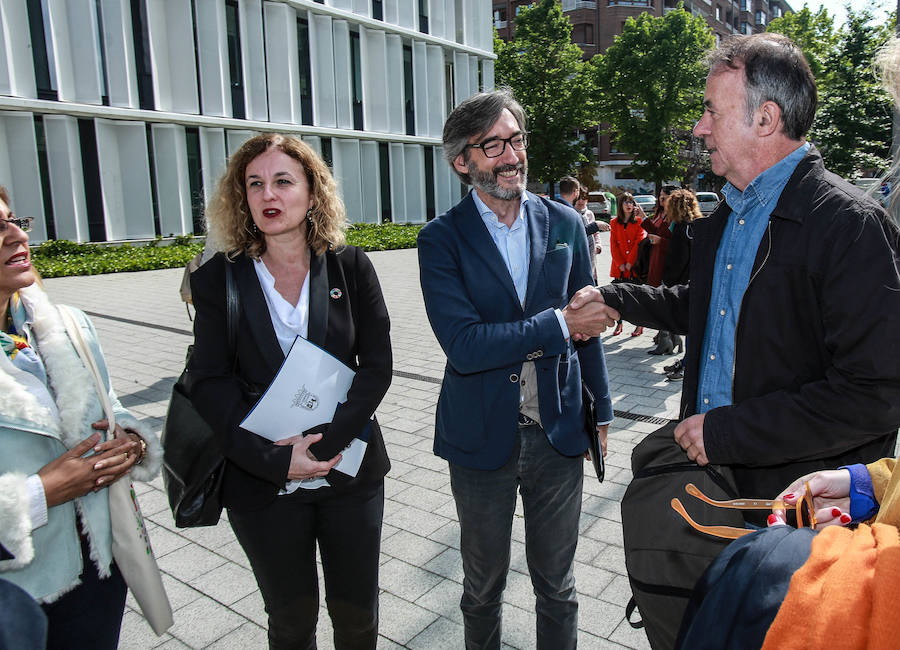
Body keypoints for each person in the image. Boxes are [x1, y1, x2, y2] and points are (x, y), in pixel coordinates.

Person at [568, 32, 900, 513]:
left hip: (798, 513)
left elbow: (874, 394)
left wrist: (729, 433)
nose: (700, 128)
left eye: (711, 111)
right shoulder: (728, 215)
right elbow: (704, 303)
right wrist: (616, 297)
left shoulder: (851, 228)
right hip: (714, 488)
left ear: (765, 119)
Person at [417, 89, 616, 649]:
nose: (512, 156)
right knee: (482, 586)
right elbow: (465, 346)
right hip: (480, 437)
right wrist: (559, 325)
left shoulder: (564, 225)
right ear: (463, 161)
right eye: (493, 146)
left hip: (559, 433)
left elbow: (590, 327)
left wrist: (599, 408)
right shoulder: (441, 240)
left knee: (559, 585)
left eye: (517, 139)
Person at [188, 134, 392, 649]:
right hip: (261, 477)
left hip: (349, 468)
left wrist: (324, 446)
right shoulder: (218, 278)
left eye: (283, 180)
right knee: (291, 621)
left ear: (311, 192)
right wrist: (275, 460)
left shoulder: (350, 265)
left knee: (358, 617)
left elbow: (378, 365)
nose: (267, 194)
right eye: (254, 184)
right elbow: (208, 381)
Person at [0, 186, 163, 649]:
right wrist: (39, 493)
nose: (16, 236)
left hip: (98, 568)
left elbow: (111, 406)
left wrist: (133, 440)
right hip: (18, 588)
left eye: (15, 221)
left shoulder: (65, 325)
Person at [657, 189, 702, 381]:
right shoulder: (698, 226)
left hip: (683, 285)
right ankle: (685, 362)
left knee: (691, 328)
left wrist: (668, 282)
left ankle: (687, 368)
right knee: (693, 328)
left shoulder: (681, 229)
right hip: (698, 282)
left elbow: (677, 260)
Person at [641, 184, 680, 355]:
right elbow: (657, 232)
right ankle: (673, 338)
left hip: (667, 264)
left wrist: (660, 241)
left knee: (664, 302)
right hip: (657, 260)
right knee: (662, 300)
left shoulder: (676, 217)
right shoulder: (662, 213)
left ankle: (667, 340)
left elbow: (678, 245)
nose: (660, 200)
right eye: (660, 197)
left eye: (664, 198)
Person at [608, 192, 646, 337]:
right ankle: (619, 324)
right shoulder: (614, 223)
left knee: (636, 298)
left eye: (631, 202)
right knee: (617, 298)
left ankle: (639, 325)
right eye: (626, 202)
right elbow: (613, 245)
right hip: (620, 268)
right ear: (620, 205)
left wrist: (630, 262)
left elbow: (638, 242)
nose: (629, 205)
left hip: (634, 267)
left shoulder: (638, 221)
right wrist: (620, 263)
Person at [574, 186, 601, 283]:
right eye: (579, 198)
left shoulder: (589, 214)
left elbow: (595, 233)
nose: (581, 201)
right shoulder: (571, 213)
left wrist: (598, 244)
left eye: (584, 198)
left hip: (591, 252)